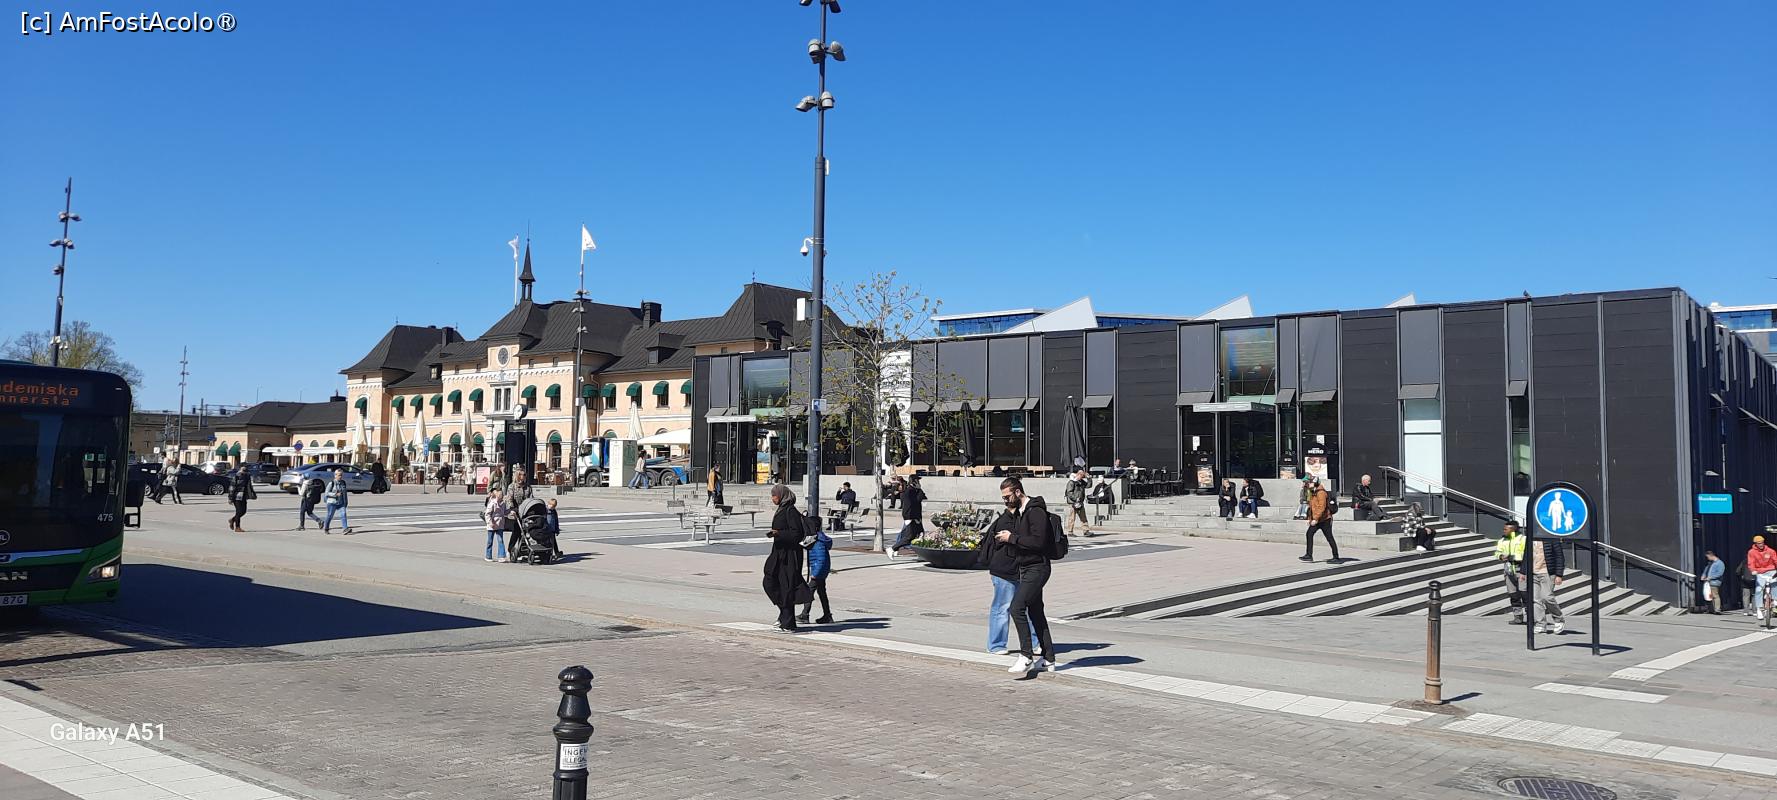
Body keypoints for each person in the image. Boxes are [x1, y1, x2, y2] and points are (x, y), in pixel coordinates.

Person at [994, 477, 1056, 675]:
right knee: (1036, 612)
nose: (1005, 500)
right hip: (1027, 567)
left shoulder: (1035, 511)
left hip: (1037, 567)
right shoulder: (1022, 512)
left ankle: (1026, 655)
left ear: (1018, 492)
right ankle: (1048, 658)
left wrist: (1011, 538)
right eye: (1003, 497)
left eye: (1007, 496)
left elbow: (1038, 542)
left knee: (1017, 607)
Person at [977, 501, 1037, 655]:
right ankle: (996, 644)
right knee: (1002, 607)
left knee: (1026, 607)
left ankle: (1034, 642)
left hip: (1018, 569)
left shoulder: (1021, 519)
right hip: (1004, 569)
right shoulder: (1005, 521)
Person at [763, 484, 809, 632]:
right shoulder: (782, 509)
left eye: (774, 495)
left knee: (786, 587)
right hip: (778, 552)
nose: (772, 498)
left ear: (782, 496)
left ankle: (788, 623)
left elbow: (796, 534)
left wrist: (779, 533)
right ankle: (784, 614)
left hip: (790, 555)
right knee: (769, 581)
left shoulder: (790, 511)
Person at [799, 525, 834, 625]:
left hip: (818, 572)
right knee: (822, 592)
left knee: (809, 592)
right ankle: (827, 615)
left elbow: (821, 559)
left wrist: (815, 573)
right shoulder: (817, 539)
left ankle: (805, 615)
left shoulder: (818, 542)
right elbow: (804, 544)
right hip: (821, 571)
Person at [1496, 522, 1528, 624]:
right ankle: (1518, 616)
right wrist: (1500, 556)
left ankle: (1531, 616)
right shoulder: (1502, 540)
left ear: (1513, 530)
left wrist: (1511, 557)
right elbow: (1497, 552)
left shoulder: (1523, 539)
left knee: (1524, 593)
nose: (1504, 531)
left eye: (1506, 529)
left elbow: (1526, 554)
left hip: (1521, 569)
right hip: (1509, 570)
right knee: (1513, 594)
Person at [1302, 478, 1339, 562]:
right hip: (1317, 519)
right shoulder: (1312, 492)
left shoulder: (1321, 492)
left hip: (1325, 519)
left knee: (1329, 537)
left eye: (1309, 483)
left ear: (1315, 483)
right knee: (1309, 534)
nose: (1307, 485)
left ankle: (1336, 556)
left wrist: (1315, 519)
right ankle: (1309, 555)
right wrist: (1310, 519)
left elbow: (1321, 507)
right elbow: (1311, 508)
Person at [889, 475, 926, 559]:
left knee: (920, 535)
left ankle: (921, 554)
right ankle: (892, 549)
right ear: (913, 481)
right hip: (911, 517)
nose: (919, 482)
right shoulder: (909, 491)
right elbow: (916, 500)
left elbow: (922, 497)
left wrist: (919, 490)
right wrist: (920, 489)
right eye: (917, 480)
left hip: (916, 517)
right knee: (909, 537)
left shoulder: (915, 490)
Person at [503, 468, 535, 557]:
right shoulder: (512, 486)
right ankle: (510, 549)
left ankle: (522, 549)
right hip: (516, 511)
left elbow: (531, 498)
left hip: (525, 511)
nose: (522, 477)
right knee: (516, 531)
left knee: (525, 531)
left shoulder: (528, 487)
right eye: (520, 475)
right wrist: (512, 509)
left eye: (524, 475)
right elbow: (509, 499)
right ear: (517, 476)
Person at [1746, 534, 1777, 621]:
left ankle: (1775, 600)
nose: (1761, 544)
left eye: (1762, 542)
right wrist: (1753, 570)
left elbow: (1775, 560)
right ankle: (1759, 609)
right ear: (1755, 544)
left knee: (1774, 584)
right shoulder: (1751, 552)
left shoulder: (1770, 551)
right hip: (1759, 572)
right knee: (1759, 589)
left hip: (1771, 570)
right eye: (1759, 543)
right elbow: (1751, 563)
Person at [321, 468, 353, 534]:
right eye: (339, 475)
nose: (340, 476)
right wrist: (335, 494)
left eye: (341, 475)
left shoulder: (343, 483)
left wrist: (345, 502)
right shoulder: (331, 483)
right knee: (330, 515)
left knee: (343, 514)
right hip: (332, 502)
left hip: (341, 503)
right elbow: (326, 493)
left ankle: (345, 529)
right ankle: (326, 528)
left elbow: (344, 493)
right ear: (335, 475)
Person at [226, 466, 256, 532]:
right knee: (239, 511)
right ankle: (237, 527)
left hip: (244, 496)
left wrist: (253, 494)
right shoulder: (236, 476)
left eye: (245, 470)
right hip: (237, 496)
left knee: (243, 511)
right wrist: (230, 498)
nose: (244, 471)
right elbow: (232, 487)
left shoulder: (247, 476)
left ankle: (232, 520)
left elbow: (250, 486)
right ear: (240, 469)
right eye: (243, 470)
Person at [1063, 469, 1092, 538]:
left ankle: (1086, 531)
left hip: (1080, 502)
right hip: (1072, 503)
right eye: (1081, 475)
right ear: (1078, 474)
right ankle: (1070, 532)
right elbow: (1069, 492)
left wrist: (1089, 479)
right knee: (1072, 518)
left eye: (1083, 476)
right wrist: (1075, 499)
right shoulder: (1071, 482)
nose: (1082, 477)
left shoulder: (1081, 482)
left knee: (1083, 517)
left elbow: (1088, 485)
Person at [483, 489, 508, 562]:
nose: (501, 496)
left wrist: (510, 511)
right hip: (492, 525)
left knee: (500, 540)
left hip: (500, 524)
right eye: (500, 495)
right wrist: (490, 522)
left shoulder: (503, 503)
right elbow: (487, 514)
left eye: (502, 495)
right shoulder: (492, 503)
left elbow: (504, 512)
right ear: (497, 496)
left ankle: (501, 556)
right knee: (490, 541)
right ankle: (488, 556)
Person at [1698, 550, 1724, 615]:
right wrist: (1703, 575)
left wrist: (1710, 577)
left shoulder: (1720, 563)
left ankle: (1717, 609)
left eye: (1708, 557)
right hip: (1708, 582)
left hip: (1714, 582)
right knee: (1708, 595)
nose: (1707, 558)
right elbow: (1706, 569)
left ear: (1711, 556)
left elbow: (1720, 573)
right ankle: (1710, 609)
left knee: (1715, 595)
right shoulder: (1711, 563)